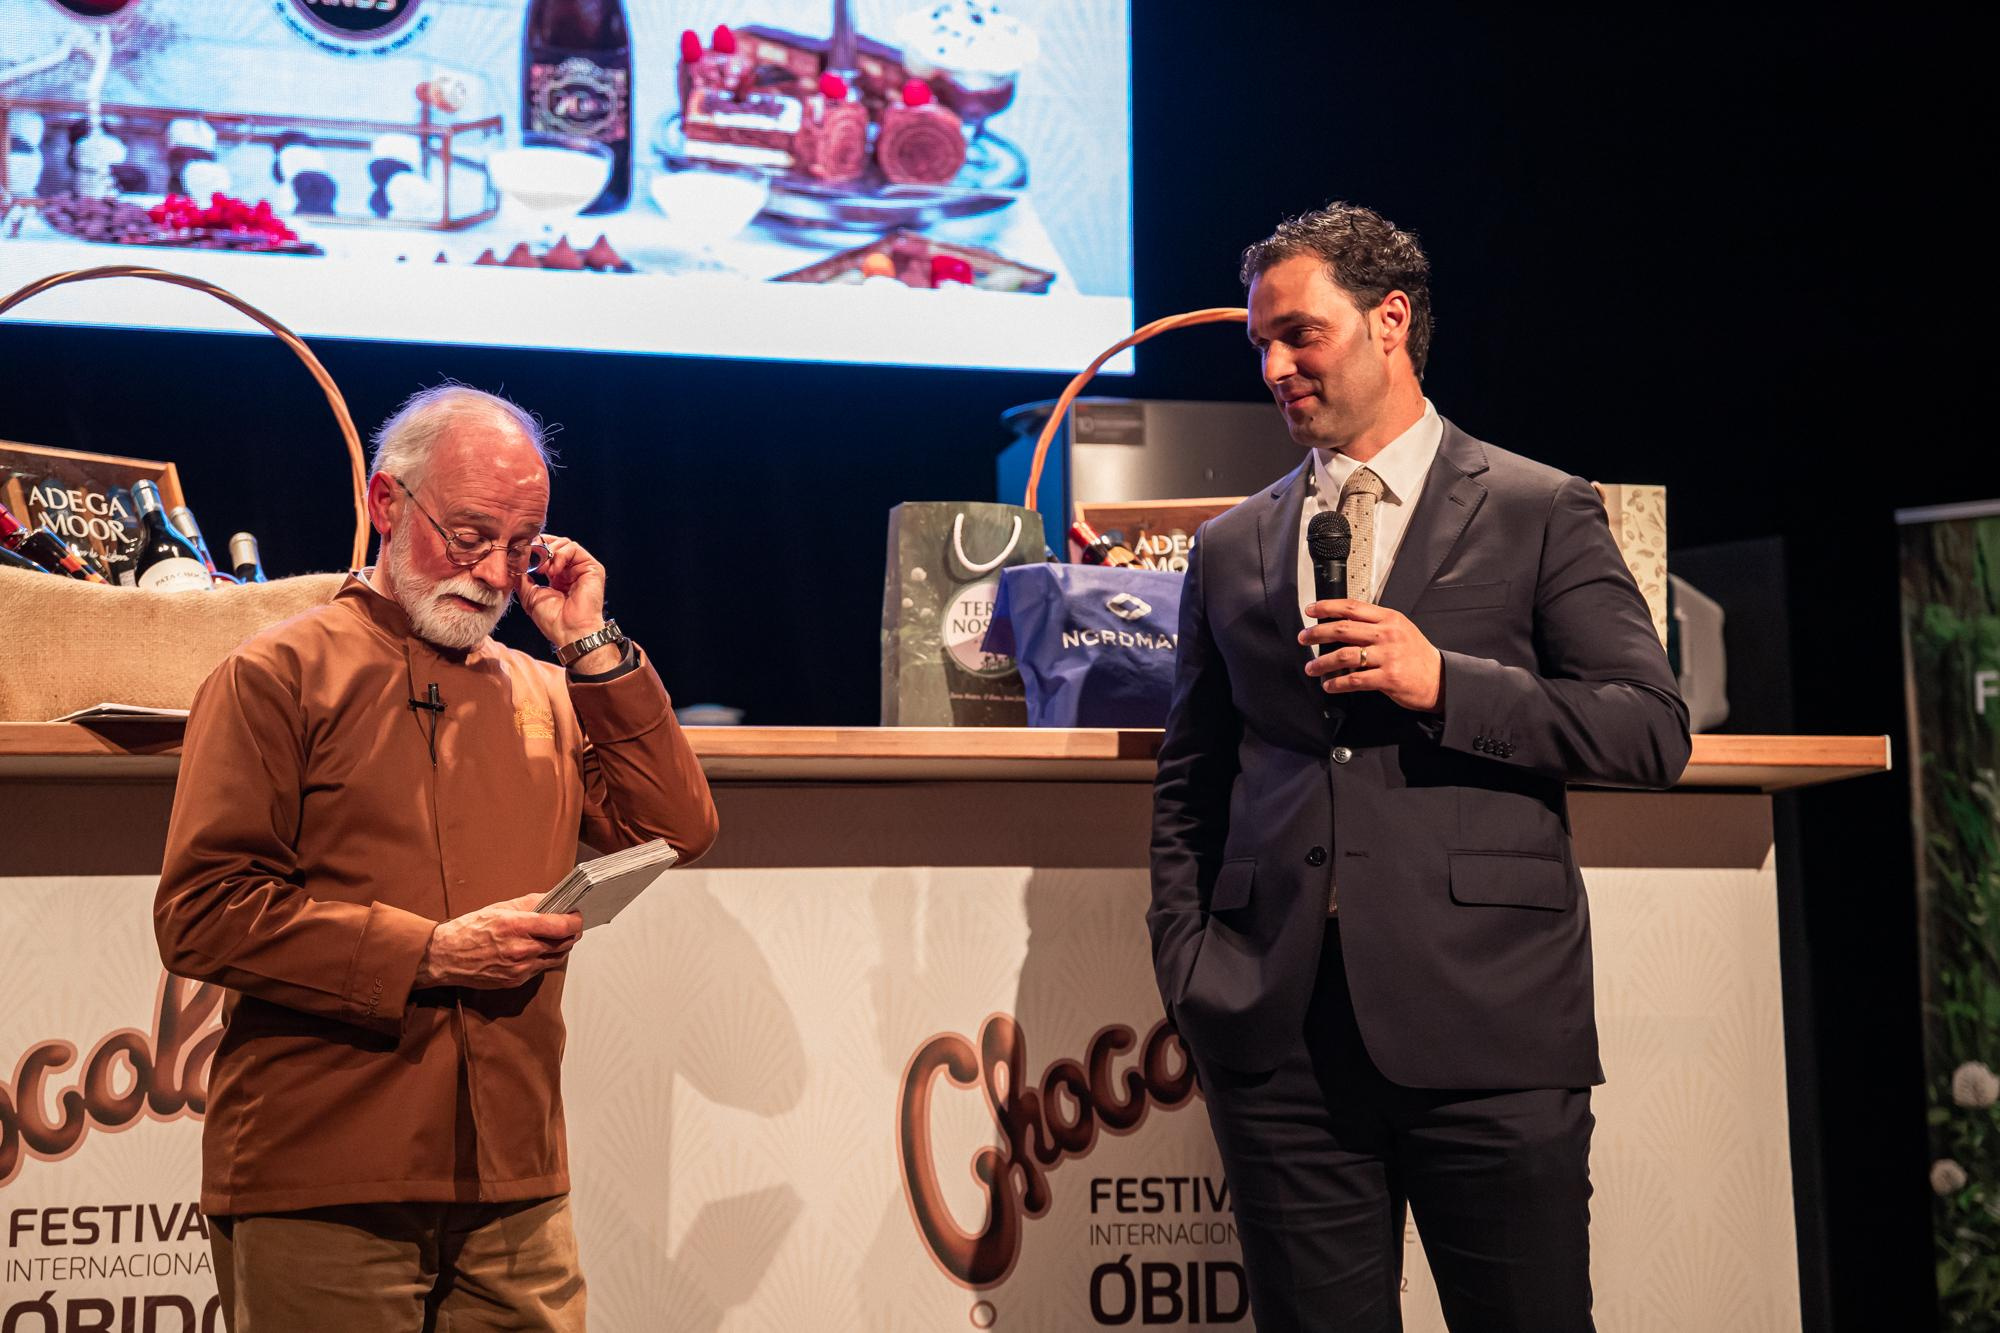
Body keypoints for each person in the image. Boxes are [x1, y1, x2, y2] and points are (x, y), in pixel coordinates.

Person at [1148, 203, 1691, 1332]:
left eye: (1299, 333)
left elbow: (1648, 728)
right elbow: (1191, 785)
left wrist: (1447, 682)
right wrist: (1196, 973)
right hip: (1278, 1033)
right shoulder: (1232, 544)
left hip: (1487, 1028)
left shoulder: (1539, 508)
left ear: (1389, 319)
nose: (1273, 365)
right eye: (1260, 342)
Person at [155, 384, 719, 1331]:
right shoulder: (278, 674)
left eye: (521, 542)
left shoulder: (546, 690)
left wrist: (590, 641)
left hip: (515, 1176)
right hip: (324, 1171)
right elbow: (203, 911)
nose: (496, 572)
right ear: (386, 503)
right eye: (467, 536)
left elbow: (678, 828)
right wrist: (428, 953)